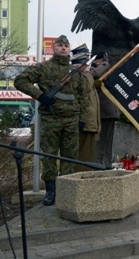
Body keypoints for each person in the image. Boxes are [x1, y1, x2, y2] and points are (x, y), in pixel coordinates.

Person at [14, 35, 89, 206]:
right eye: (60, 45)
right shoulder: (43, 68)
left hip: (72, 119)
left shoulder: (75, 72)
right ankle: (51, 191)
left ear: (69, 49)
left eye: (66, 45)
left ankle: (66, 190)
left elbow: (84, 97)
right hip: (51, 119)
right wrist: (40, 95)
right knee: (49, 156)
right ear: (53, 48)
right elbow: (20, 80)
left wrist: (82, 119)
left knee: (70, 157)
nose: (63, 48)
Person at [71, 45, 101, 172]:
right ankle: (81, 181)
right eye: (86, 61)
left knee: (88, 155)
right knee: (83, 157)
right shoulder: (81, 76)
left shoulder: (84, 76)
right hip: (84, 122)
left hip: (89, 122)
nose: (89, 65)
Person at [91, 52, 120, 168]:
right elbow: (94, 76)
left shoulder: (108, 71)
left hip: (111, 111)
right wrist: (105, 65)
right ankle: (98, 163)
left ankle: (106, 163)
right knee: (100, 141)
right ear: (98, 61)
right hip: (102, 111)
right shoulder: (94, 70)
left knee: (108, 142)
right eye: (103, 60)